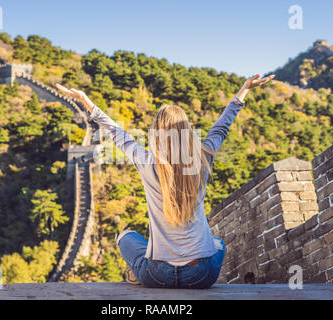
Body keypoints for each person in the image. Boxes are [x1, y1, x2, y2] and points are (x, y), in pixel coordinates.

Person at [56, 73, 274, 289]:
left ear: (156, 134)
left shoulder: (146, 162)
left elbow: (116, 132)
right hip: (201, 275)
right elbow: (221, 127)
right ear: (186, 132)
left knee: (126, 237)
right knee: (218, 245)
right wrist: (244, 90)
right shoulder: (203, 157)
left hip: (157, 275)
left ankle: (139, 271)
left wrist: (87, 102)